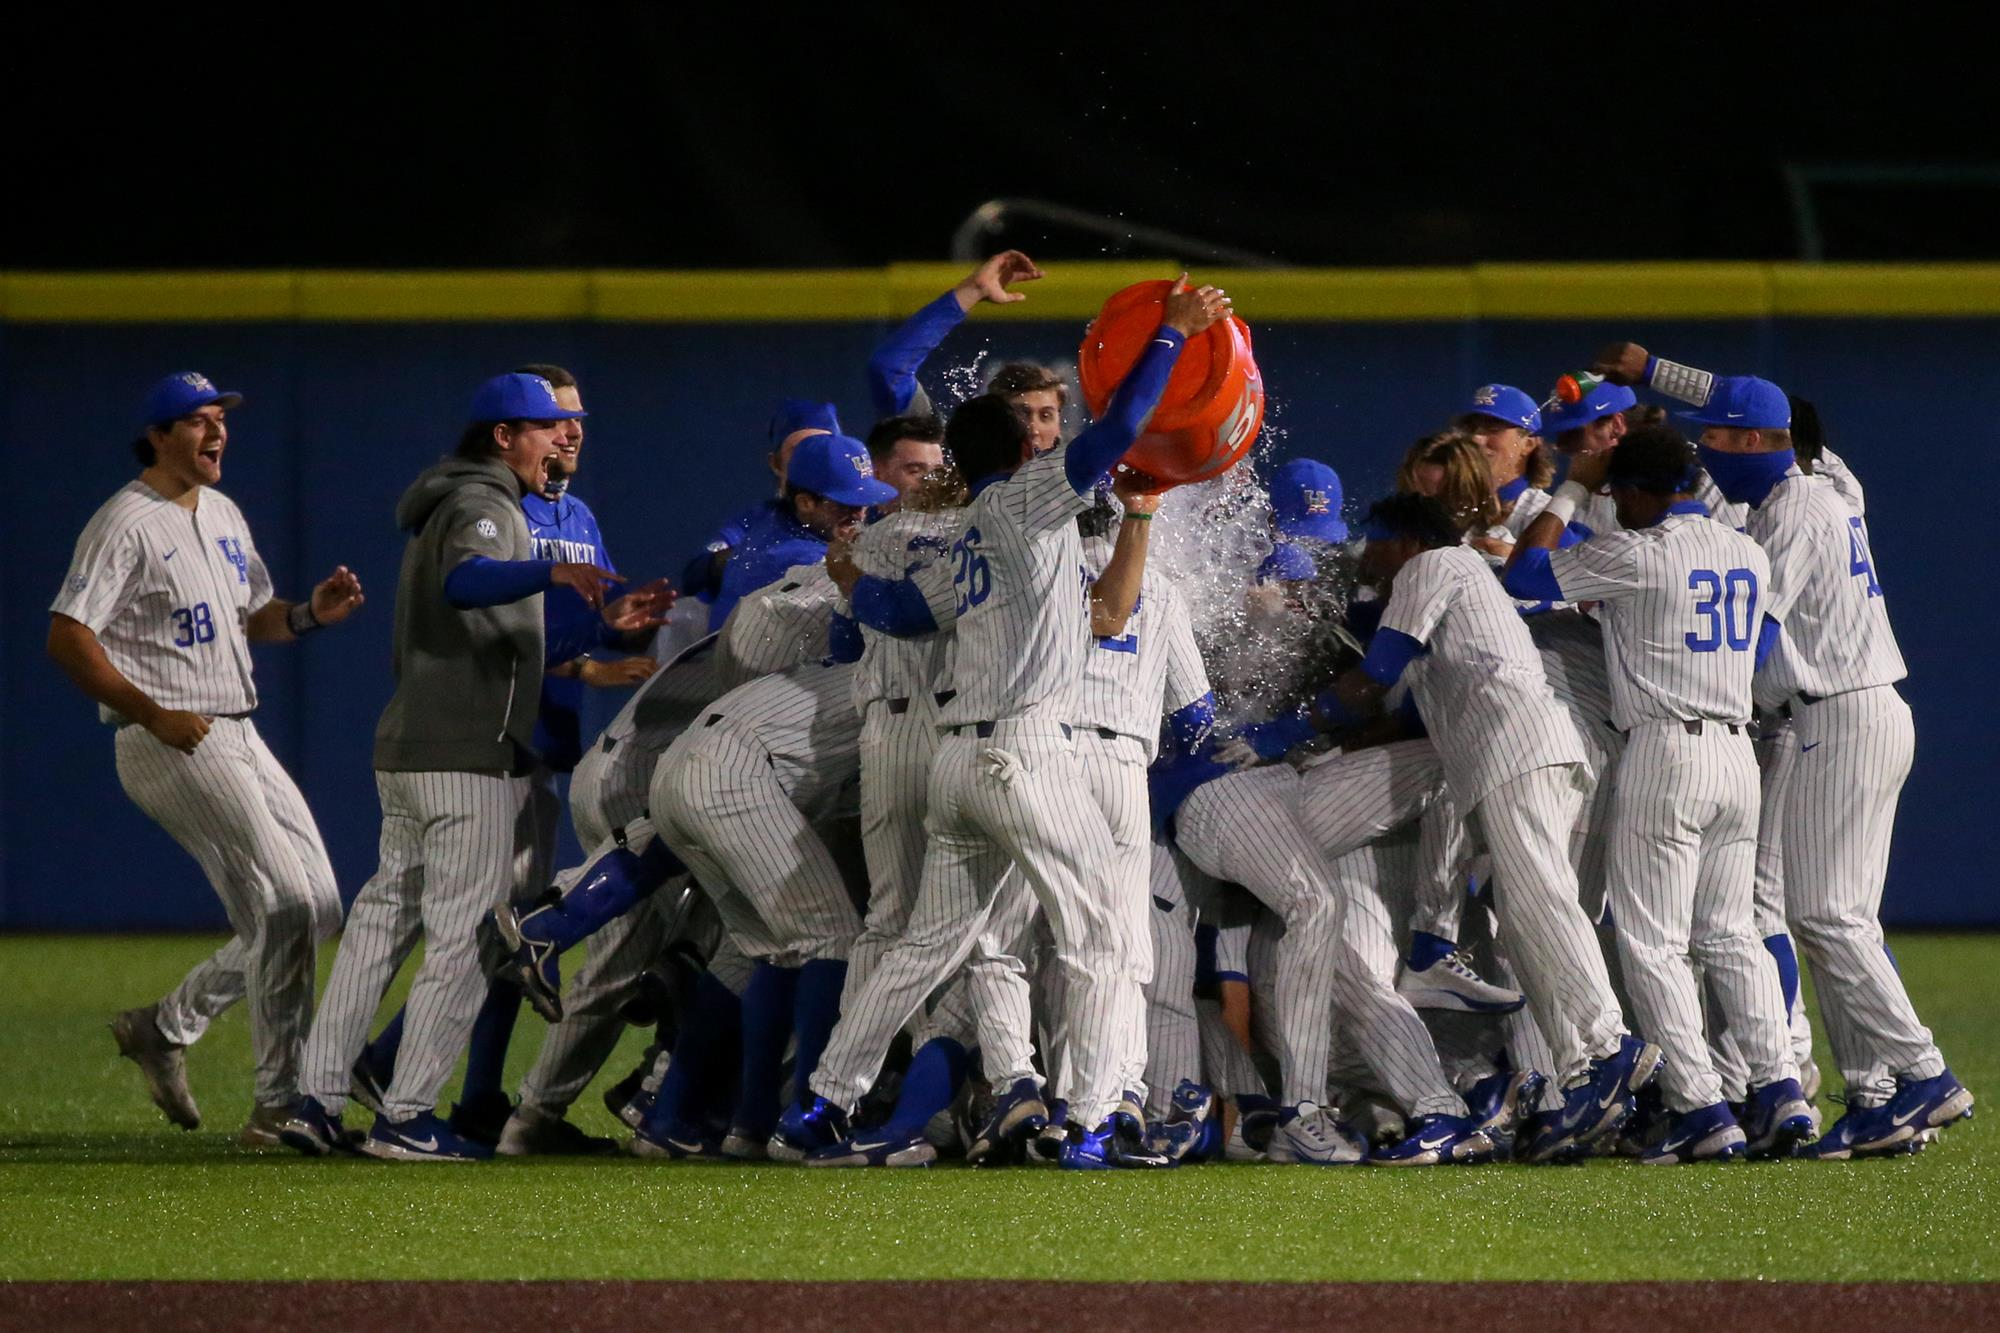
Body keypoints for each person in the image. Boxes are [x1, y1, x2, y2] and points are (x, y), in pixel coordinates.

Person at [778, 277, 1233, 1170]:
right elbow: (1116, 429)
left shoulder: (965, 533)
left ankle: (822, 1104)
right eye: (1031, 433)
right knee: (1102, 934)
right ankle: (1096, 1118)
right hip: (1025, 753)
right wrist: (1172, 336)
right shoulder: (1027, 499)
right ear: (1017, 453)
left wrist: (849, 584)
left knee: (925, 943)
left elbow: (905, 615)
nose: (1046, 439)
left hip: (953, 763)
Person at [283, 372, 645, 1162]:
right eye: (547, 425)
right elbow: (466, 580)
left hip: (416, 748)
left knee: (381, 923)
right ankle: (406, 1114)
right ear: (503, 436)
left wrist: (600, 621)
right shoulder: (484, 502)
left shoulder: (459, 498)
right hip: (465, 751)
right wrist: (551, 571)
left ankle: (315, 1097)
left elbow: (510, 620)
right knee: (463, 936)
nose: (561, 437)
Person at [1653, 371, 1971, 1157]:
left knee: (1828, 916)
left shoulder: (1794, 509)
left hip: (1841, 710)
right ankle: (1877, 1094)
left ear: (1764, 442)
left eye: (1722, 437)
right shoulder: (1809, 498)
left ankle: (1925, 1072)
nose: (1708, 448)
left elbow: (1759, 637)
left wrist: (1709, 698)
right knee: (1838, 919)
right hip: (1858, 707)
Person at [52, 371, 363, 1146]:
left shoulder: (222, 510)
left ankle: (164, 1025)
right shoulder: (124, 522)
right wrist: (154, 712)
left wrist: (308, 615)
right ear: (158, 436)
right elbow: (67, 635)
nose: (217, 430)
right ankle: (278, 1105)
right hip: (168, 737)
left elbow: (252, 617)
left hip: (237, 731)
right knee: (286, 900)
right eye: (197, 420)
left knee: (319, 905)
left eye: (221, 417)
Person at [1311, 493, 1660, 1163]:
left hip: (1518, 749)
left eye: (1375, 541)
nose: (1371, 556)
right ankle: (1584, 1070)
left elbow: (1376, 672)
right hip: (1516, 752)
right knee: (1527, 916)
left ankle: (1608, 1049)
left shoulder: (1433, 562)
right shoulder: (1453, 574)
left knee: (1541, 903)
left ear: (1403, 537)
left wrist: (1299, 725)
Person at [1504, 425, 1812, 1162]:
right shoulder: (1747, 549)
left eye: (1622, 493)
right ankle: (1780, 1094)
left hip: (1667, 752)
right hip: (1740, 754)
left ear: (1643, 492)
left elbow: (1524, 574)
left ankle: (1700, 1105)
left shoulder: (1639, 552)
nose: (1619, 503)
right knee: (1732, 933)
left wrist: (1574, 482)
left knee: (1654, 943)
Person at [707, 432, 891, 628]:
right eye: (847, 503)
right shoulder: (802, 561)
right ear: (805, 503)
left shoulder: (778, 522)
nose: (859, 514)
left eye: (864, 503)